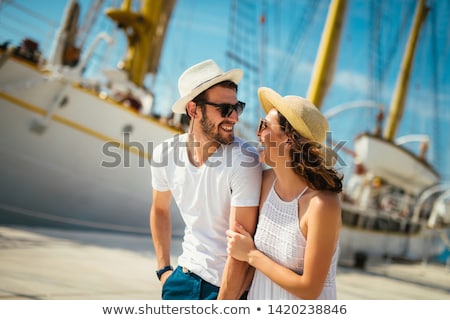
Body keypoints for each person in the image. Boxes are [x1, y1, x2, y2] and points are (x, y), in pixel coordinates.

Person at [150, 59, 262, 300]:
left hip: (226, 290)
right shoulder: (165, 154)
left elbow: (240, 251)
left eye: (237, 107)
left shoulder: (244, 160)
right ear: (193, 110)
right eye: (224, 109)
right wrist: (163, 270)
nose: (234, 118)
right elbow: (159, 209)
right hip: (182, 278)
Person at [226, 87, 343, 299]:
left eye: (264, 126)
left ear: (288, 139)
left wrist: (252, 255)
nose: (258, 133)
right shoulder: (266, 182)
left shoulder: (322, 204)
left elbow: (309, 289)